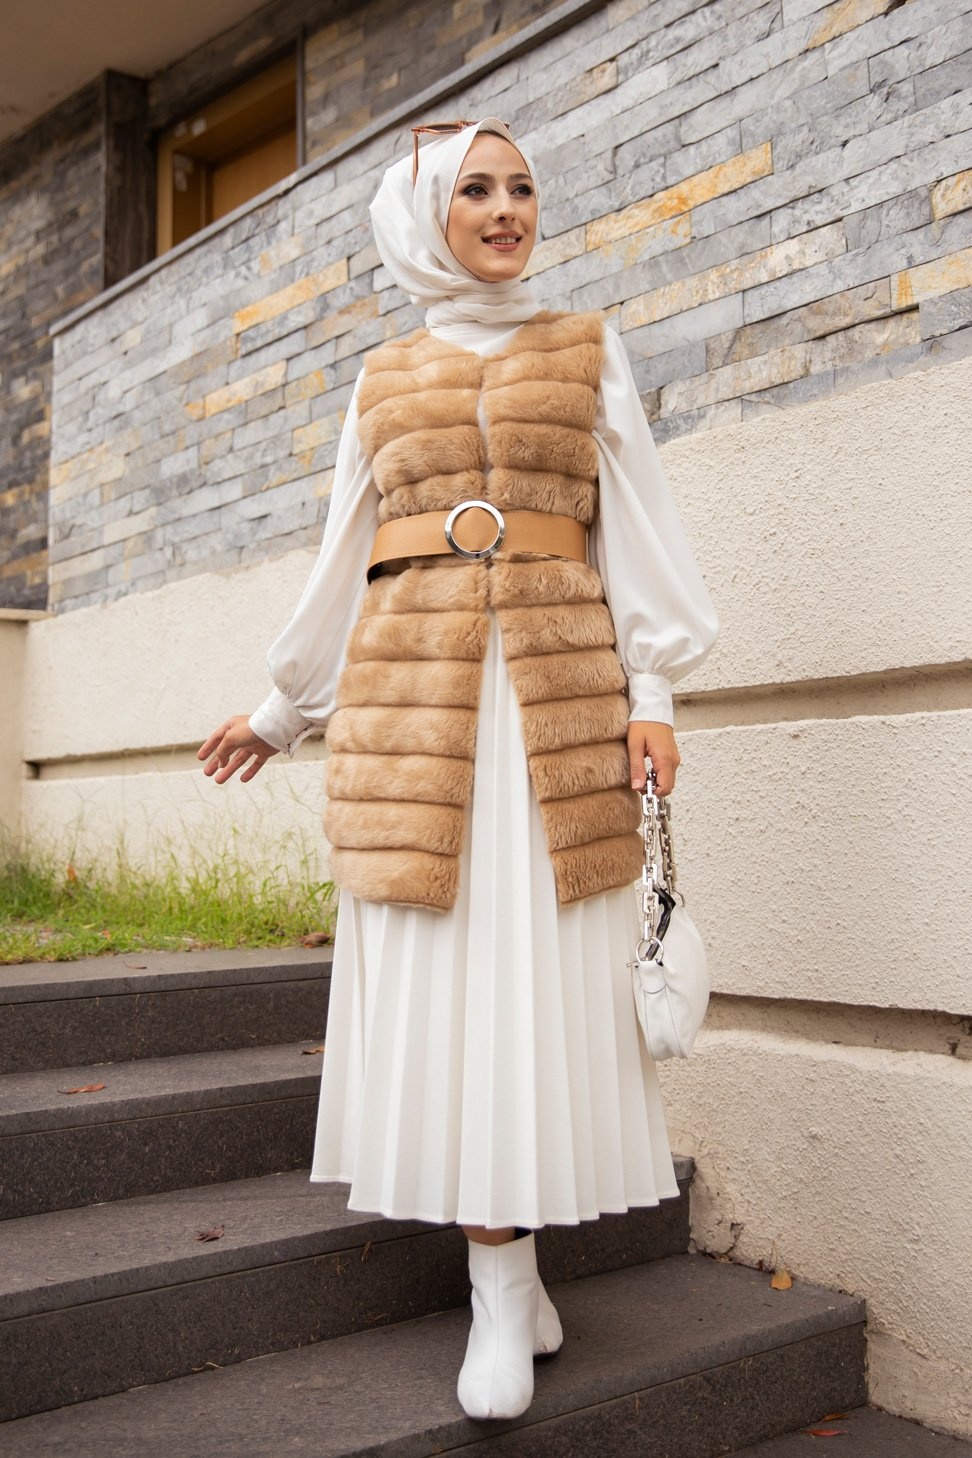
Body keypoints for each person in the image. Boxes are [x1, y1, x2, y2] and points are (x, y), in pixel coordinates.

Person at [198, 117, 719, 1422]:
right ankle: (503, 1285)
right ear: (425, 215)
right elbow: (345, 553)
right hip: (414, 714)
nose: (504, 209)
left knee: (535, 993)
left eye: (521, 187)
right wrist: (281, 708)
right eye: (474, 188)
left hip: (556, 709)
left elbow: (637, 528)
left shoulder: (588, 348)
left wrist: (655, 693)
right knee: (457, 992)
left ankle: (510, 1279)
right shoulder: (382, 377)